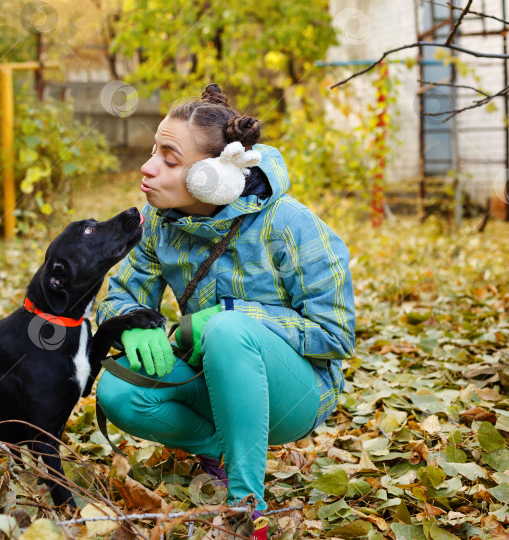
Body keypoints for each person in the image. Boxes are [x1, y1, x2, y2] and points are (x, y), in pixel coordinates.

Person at [95, 83, 355, 539]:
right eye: (154, 149)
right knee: (116, 391)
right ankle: (227, 446)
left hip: (297, 396)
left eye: (169, 159)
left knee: (228, 330)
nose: (147, 166)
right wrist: (131, 324)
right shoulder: (158, 222)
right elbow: (120, 295)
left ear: (213, 176)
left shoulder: (291, 226)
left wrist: (222, 318)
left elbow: (335, 336)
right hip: (209, 377)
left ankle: (246, 508)